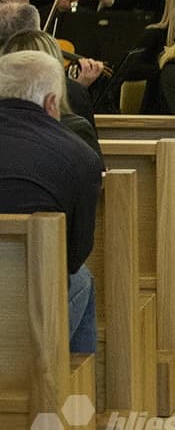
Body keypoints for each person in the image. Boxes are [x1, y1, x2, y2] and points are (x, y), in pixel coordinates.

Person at [0, 51, 104, 353]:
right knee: (82, 278)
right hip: (28, 309)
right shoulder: (80, 157)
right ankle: (71, 394)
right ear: (51, 103)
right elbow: (74, 255)